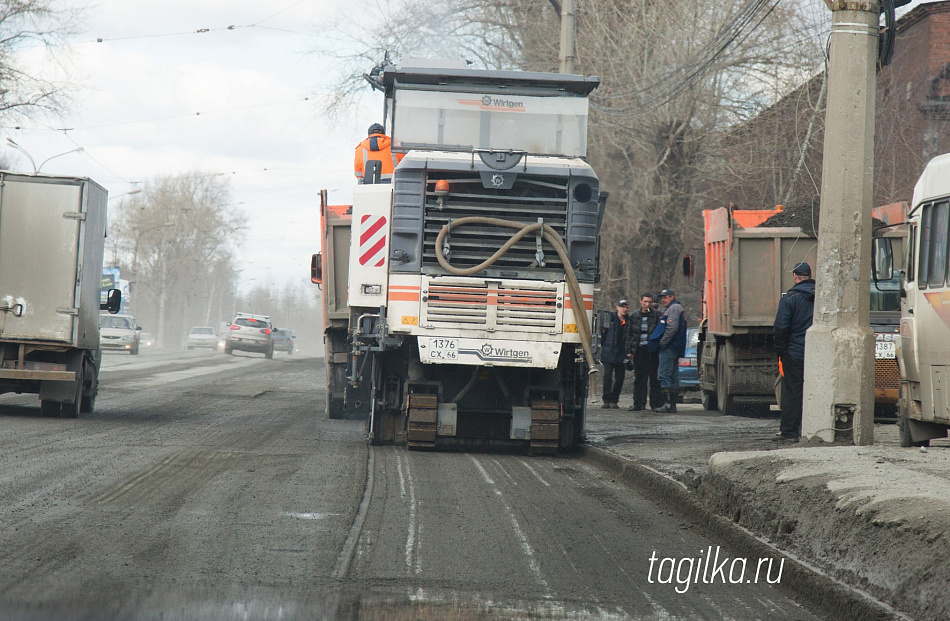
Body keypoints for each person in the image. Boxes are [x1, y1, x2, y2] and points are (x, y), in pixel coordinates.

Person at [773, 262, 815, 441]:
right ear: (810, 276)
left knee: (792, 391)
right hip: (817, 354)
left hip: (795, 353)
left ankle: (790, 431)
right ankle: (814, 429)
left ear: (795, 277)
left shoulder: (789, 299)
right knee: (814, 390)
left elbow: (781, 327)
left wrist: (782, 351)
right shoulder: (821, 298)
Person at [625, 293, 664, 411]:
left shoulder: (656, 316)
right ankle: (638, 403)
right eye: (645, 301)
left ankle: (655, 404)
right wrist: (629, 351)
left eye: (650, 302)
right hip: (639, 350)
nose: (647, 304)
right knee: (639, 378)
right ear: (641, 301)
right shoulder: (634, 316)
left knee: (654, 378)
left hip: (652, 351)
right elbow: (629, 335)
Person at [652, 289, 687, 413]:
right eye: (661, 298)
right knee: (672, 376)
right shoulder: (675, 308)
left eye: (665, 297)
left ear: (672, 297)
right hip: (674, 347)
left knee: (664, 374)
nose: (662, 300)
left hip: (670, 347)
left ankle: (668, 404)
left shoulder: (674, 308)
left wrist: (662, 343)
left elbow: (671, 328)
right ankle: (672, 405)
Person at [599, 299, 629, 409]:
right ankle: (606, 400)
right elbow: (602, 334)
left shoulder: (628, 321)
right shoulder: (610, 320)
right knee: (607, 377)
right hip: (609, 352)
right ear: (617, 307)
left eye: (626, 307)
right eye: (623, 307)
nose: (625, 309)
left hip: (622, 353)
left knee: (620, 378)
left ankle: (614, 400)